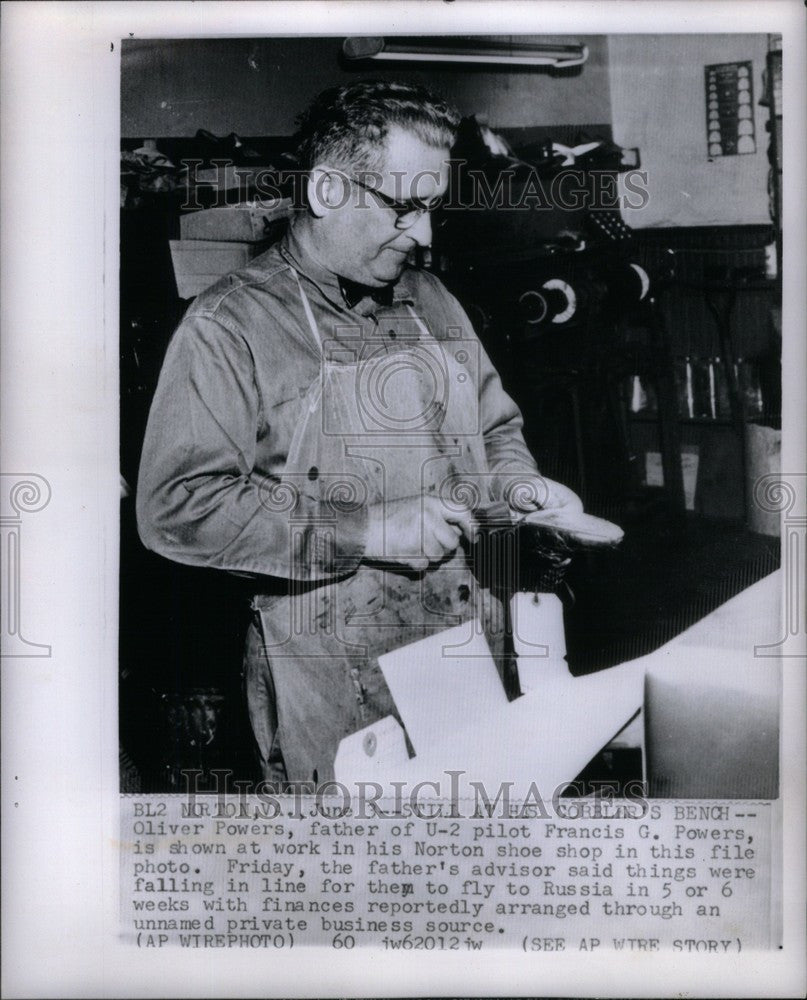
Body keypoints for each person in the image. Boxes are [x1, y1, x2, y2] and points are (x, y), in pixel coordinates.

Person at [136, 80, 582, 788]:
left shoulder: (431, 297)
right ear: (327, 191)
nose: (425, 235)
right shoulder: (232, 325)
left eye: (432, 208)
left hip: (466, 635)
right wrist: (367, 529)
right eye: (403, 207)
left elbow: (494, 425)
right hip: (335, 671)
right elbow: (179, 508)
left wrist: (518, 487)